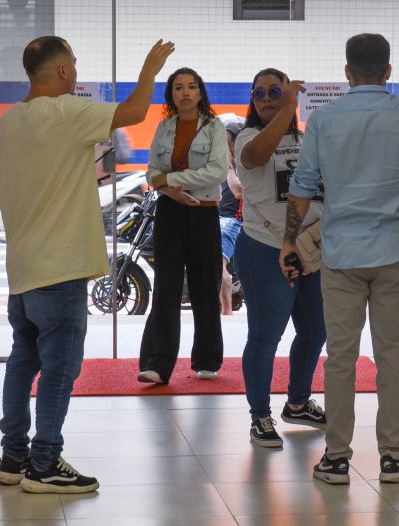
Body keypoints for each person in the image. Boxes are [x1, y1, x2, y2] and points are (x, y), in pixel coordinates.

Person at [0, 35, 174, 494]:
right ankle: (44, 463)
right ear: (62, 71)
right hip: (61, 268)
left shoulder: (4, 125)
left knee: (22, 359)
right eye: (74, 62)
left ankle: (14, 457)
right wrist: (149, 67)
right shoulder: (66, 112)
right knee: (59, 369)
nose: (76, 70)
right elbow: (132, 111)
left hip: (23, 269)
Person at [282, 33, 399, 485]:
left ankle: (336, 457)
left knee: (340, 358)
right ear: (389, 72)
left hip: (341, 255)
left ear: (348, 72)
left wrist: (288, 242)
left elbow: (302, 188)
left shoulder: (325, 119)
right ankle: (392, 455)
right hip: (395, 251)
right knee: (392, 358)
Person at [234, 68, 327, 448]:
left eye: (276, 91)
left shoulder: (307, 139)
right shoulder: (247, 137)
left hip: (311, 251)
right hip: (264, 250)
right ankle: (260, 416)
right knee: (265, 335)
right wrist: (289, 105)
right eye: (260, 93)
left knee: (315, 330)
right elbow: (258, 157)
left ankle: (299, 402)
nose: (267, 98)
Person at [137, 67, 228, 384]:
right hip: (169, 212)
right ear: (171, 95)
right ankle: (156, 365)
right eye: (178, 87)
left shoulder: (214, 128)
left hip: (203, 212)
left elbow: (216, 172)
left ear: (200, 92)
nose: (185, 92)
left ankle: (206, 360)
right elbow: (151, 171)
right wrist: (168, 190)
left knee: (206, 287)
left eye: (191, 87)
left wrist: (171, 180)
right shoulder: (164, 128)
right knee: (166, 288)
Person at [218, 113, 245, 315]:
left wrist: (228, 166)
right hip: (219, 216)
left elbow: (238, 192)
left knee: (218, 266)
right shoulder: (221, 162)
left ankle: (225, 313)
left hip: (233, 220)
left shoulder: (243, 164)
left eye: (228, 140)